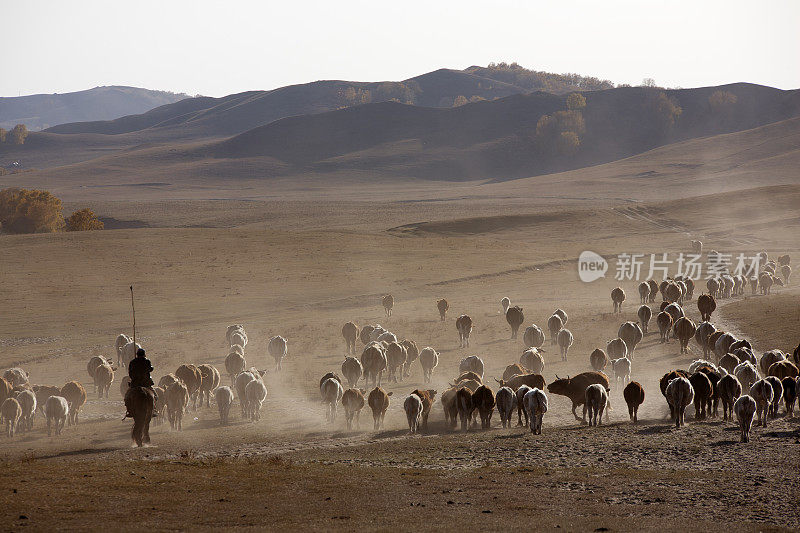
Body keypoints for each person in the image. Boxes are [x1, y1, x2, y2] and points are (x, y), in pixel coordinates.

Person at [125, 348, 156, 418]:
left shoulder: (132, 362)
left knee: (127, 397)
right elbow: (150, 369)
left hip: (135, 384)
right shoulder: (147, 361)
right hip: (146, 383)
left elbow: (130, 373)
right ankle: (154, 410)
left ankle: (129, 411)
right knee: (155, 396)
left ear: (137, 354)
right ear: (144, 354)